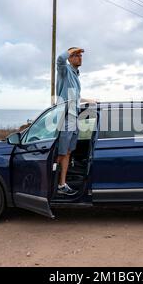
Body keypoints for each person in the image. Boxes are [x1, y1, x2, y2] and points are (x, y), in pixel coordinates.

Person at [56, 47, 96, 195]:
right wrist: (71, 49)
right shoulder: (64, 70)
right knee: (60, 153)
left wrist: (89, 100)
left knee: (67, 152)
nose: (80, 57)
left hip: (74, 118)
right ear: (70, 58)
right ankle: (50, 183)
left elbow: (75, 97)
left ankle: (61, 184)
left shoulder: (76, 76)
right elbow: (59, 59)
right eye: (77, 55)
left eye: (80, 55)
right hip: (65, 117)